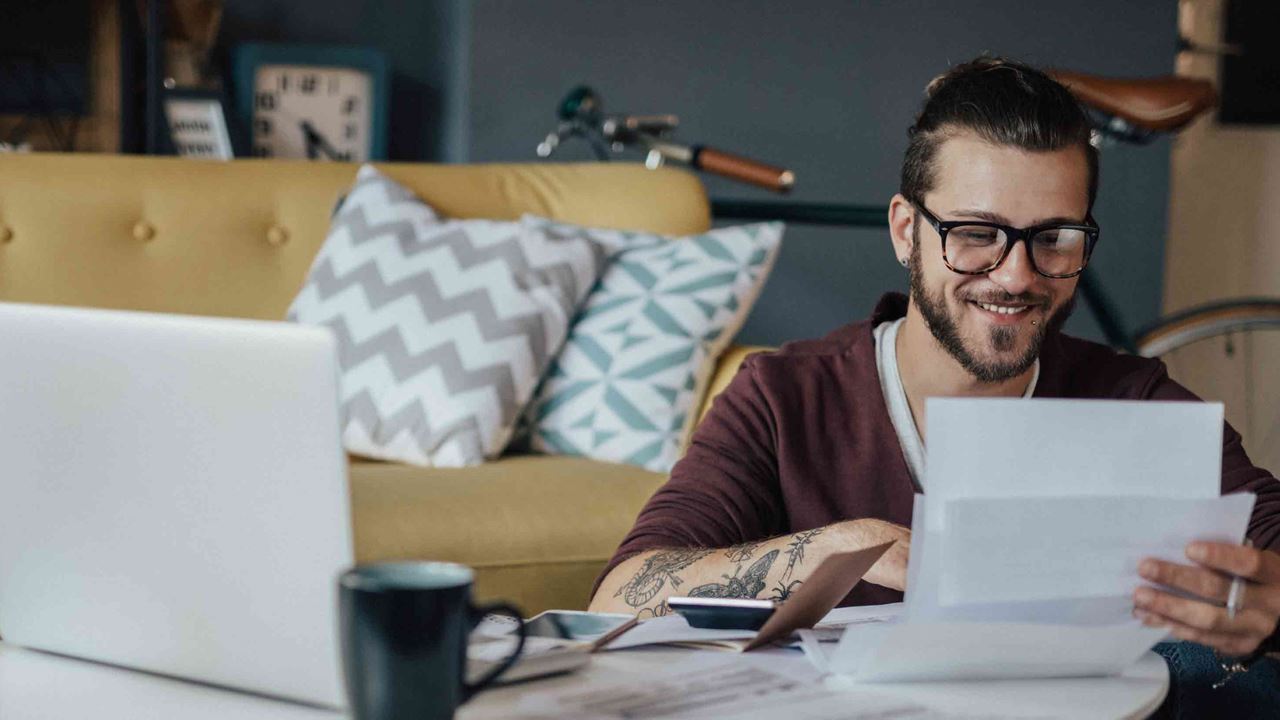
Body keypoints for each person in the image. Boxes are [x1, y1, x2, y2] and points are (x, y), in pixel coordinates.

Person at [587, 57, 1280, 713]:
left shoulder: (1132, 400)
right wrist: (830, 551)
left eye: (1055, 238)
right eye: (977, 232)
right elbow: (618, 598)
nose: (1016, 275)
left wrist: (1267, 600)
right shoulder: (783, 397)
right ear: (905, 231)